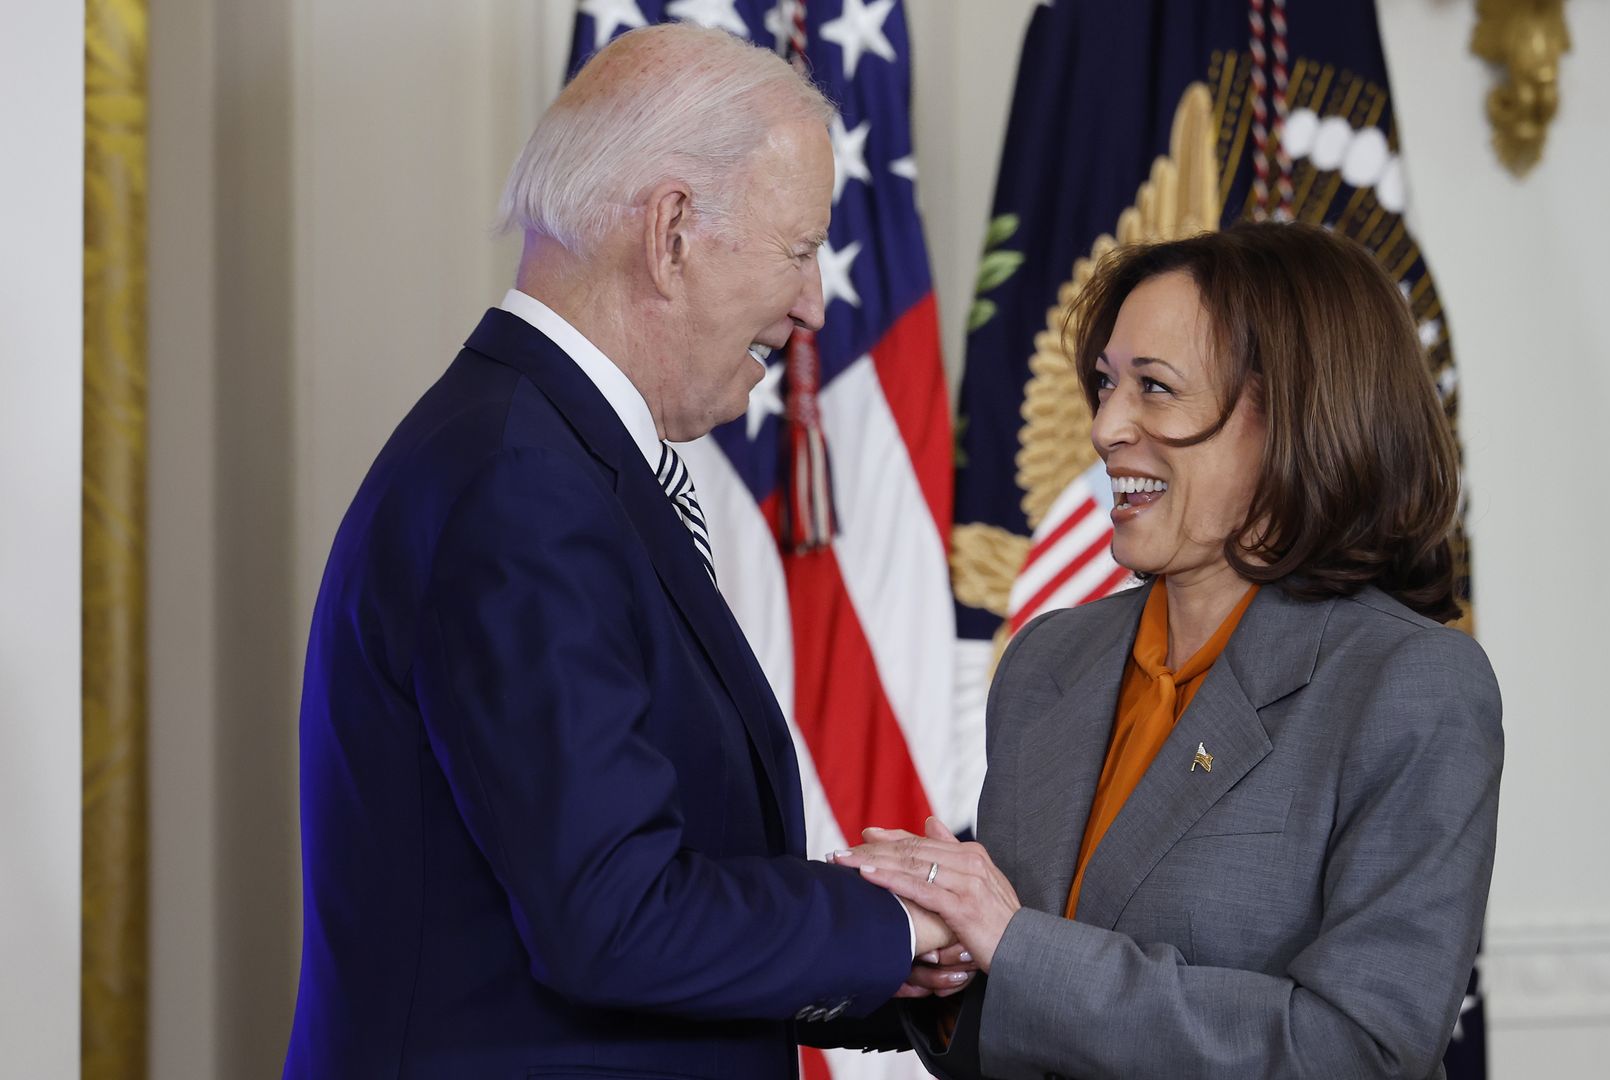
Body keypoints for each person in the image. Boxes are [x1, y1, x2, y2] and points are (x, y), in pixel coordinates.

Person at [283, 24, 954, 1079]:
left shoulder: (539, 452)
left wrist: (900, 962)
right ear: (673, 232)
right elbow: (615, 915)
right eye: (797, 249)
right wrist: (901, 924)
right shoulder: (524, 487)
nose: (816, 301)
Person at [836, 221, 1504, 1079]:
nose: (1108, 427)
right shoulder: (1048, 660)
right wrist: (940, 962)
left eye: (1154, 388)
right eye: (1108, 385)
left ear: (1294, 416)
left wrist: (1012, 943)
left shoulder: (1409, 685)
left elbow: (1359, 1052)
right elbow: (1016, 1017)